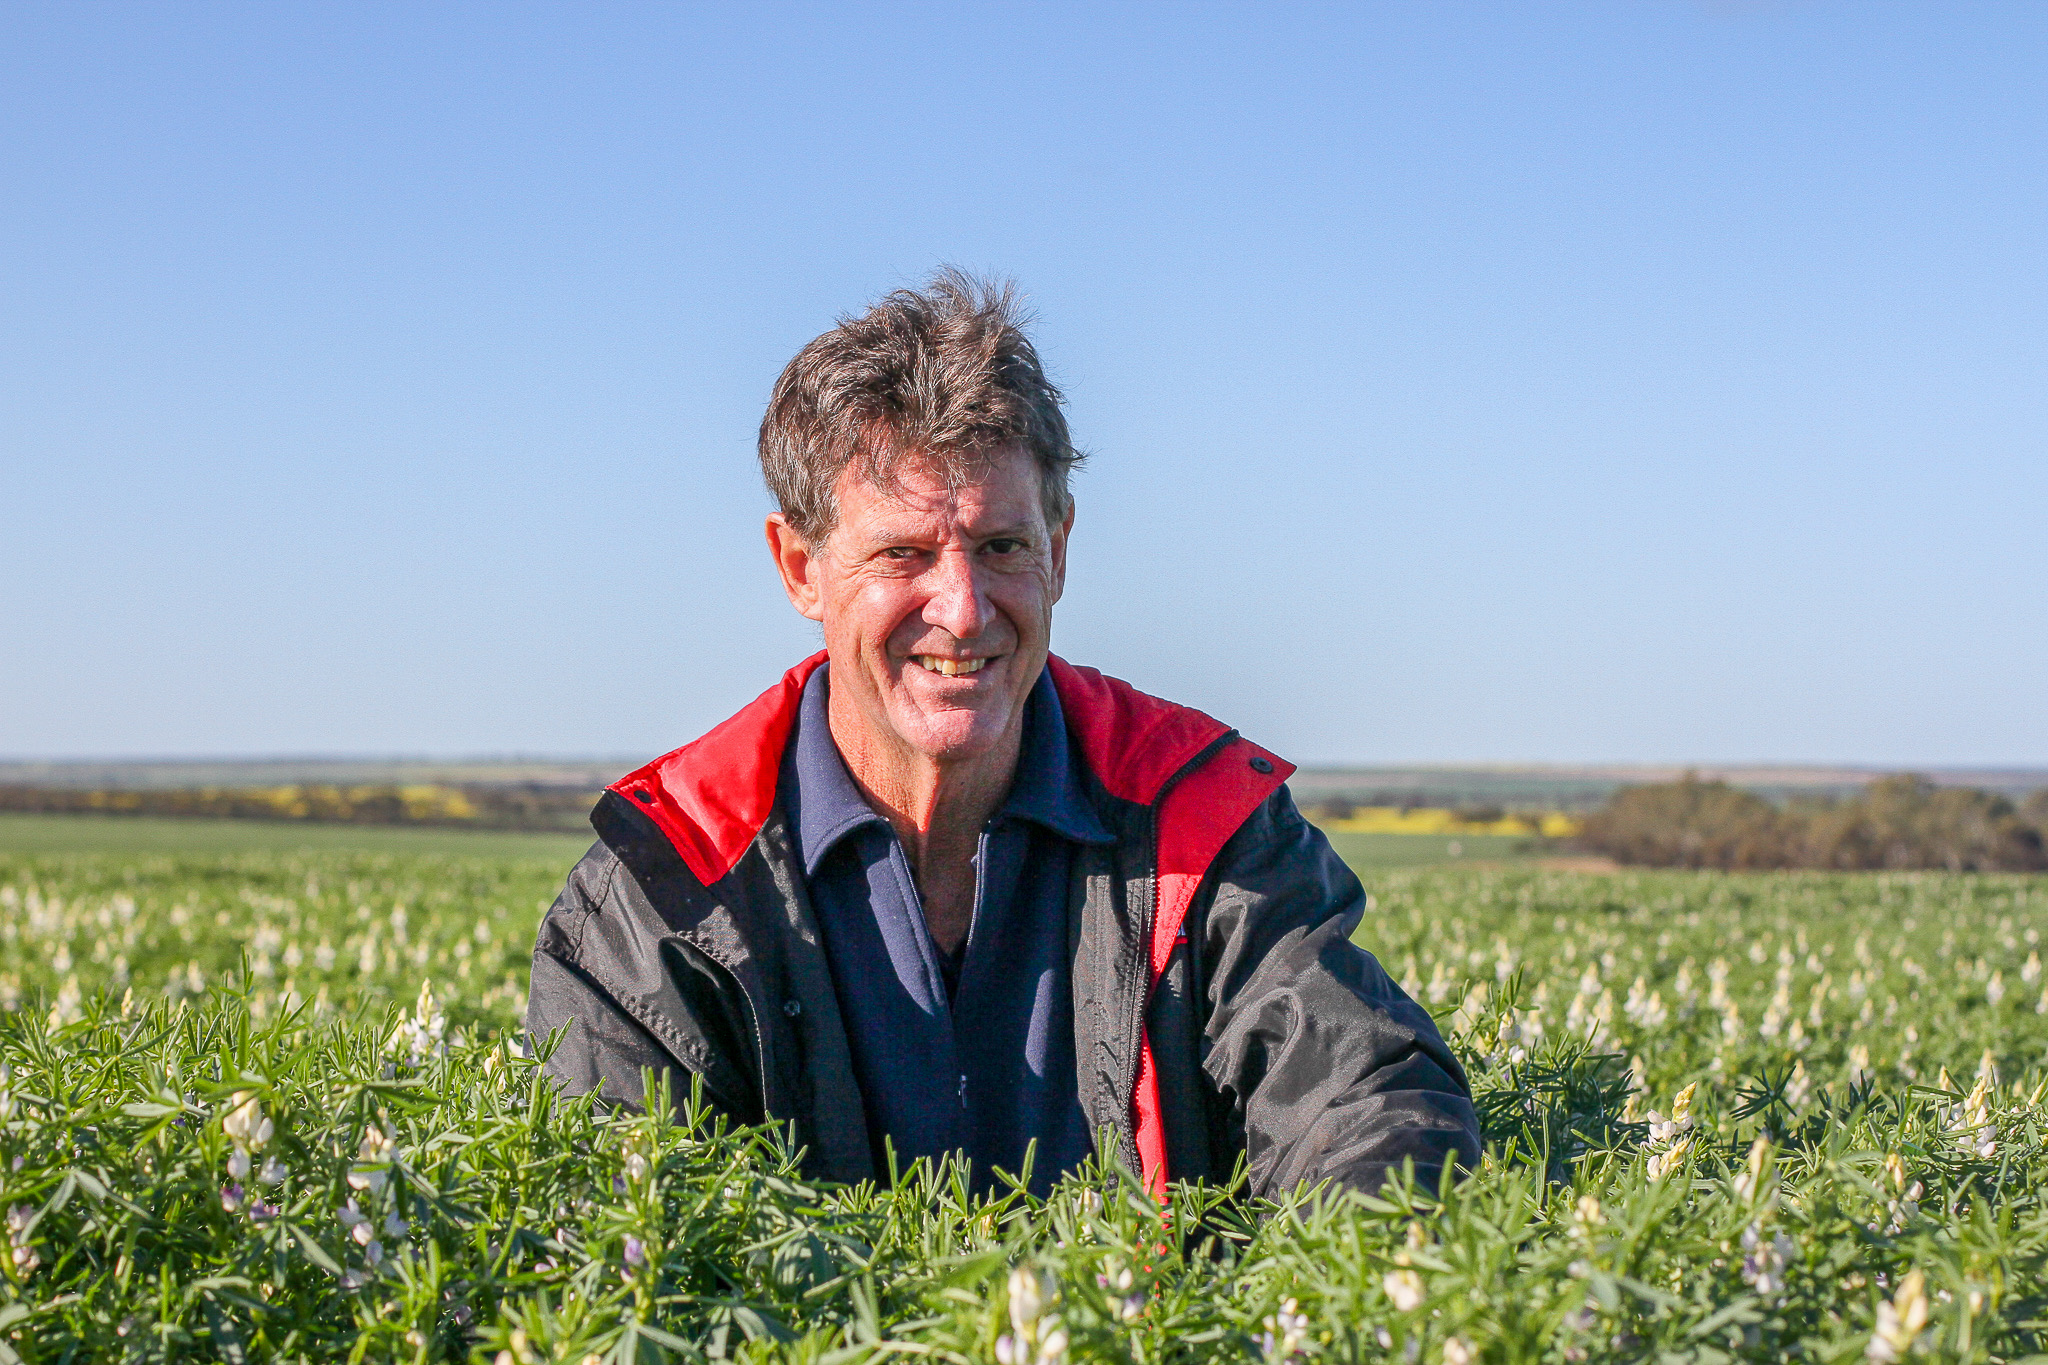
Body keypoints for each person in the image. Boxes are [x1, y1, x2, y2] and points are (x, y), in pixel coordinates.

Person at [524, 270, 1479, 1198]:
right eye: (903, 553)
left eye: (1002, 547)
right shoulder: (663, 892)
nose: (965, 609)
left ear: (1058, 551)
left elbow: (1365, 1099)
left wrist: (1364, 1259)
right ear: (801, 567)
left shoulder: (1203, 824)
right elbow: (622, 1227)